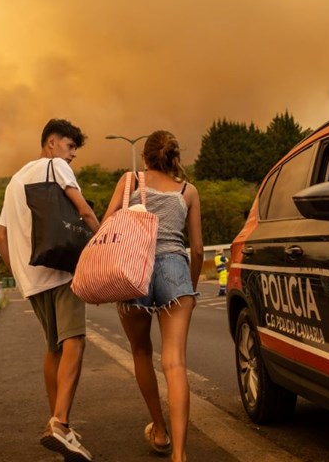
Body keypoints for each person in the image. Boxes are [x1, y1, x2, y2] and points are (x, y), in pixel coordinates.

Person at [0, 118, 101, 462]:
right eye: (70, 147)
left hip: (32, 278)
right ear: (52, 142)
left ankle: (59, 425)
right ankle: (61, 421)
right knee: (75, 340)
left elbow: (0, 238)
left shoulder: (14, 180)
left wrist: (21, 277)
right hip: (61, 269)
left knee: (53, 347)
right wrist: (105, 244)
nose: (72, 156)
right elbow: (83, 210)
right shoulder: (55, 166)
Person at [102, 130, 204, 462]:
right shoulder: (188, 192)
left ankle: (159, 431)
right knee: (175, 363)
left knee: (142, 352)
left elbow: (106, 227)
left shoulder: (129, 181)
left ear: (145, 158)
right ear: (174, 156)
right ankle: (179, 454)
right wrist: (187, 287)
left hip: (134, 268)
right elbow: (199, 249)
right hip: (175, 268)